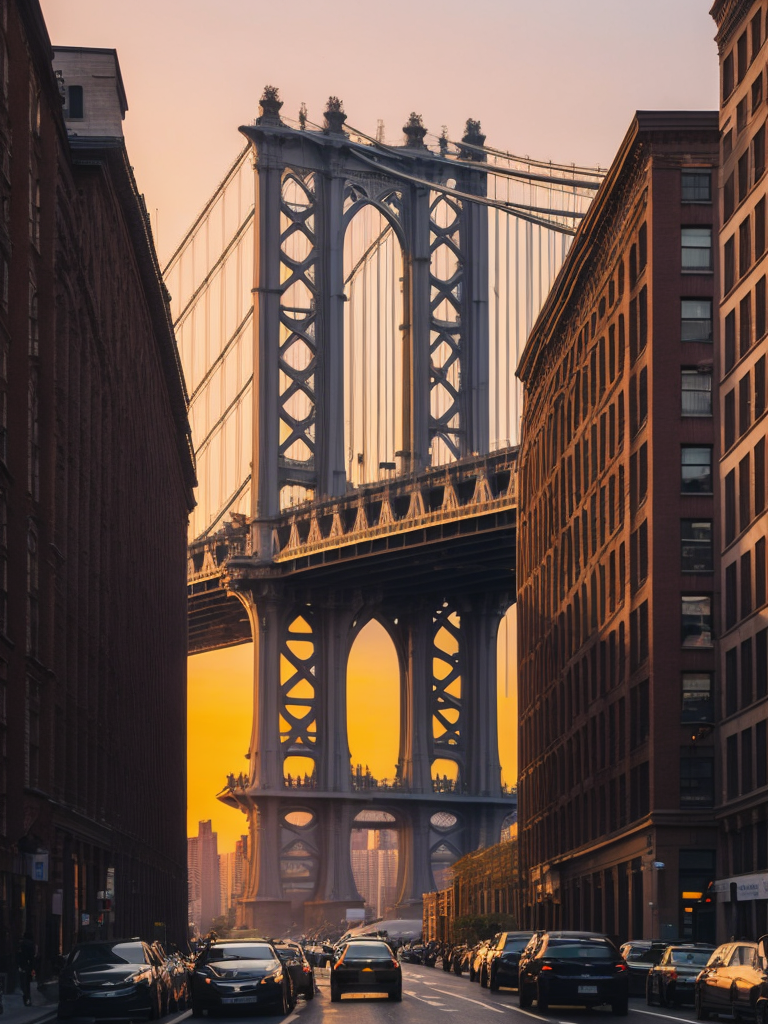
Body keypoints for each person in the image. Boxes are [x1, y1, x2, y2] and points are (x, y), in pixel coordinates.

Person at [17, 931, 36, 1006]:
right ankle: (28, 999)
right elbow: (32, 957)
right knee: (28, 983)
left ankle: (25, 999)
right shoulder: (32, 945)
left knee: (23, 983)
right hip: (29, 966)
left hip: (22, 966)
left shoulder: (21, 944)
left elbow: (19, 955)